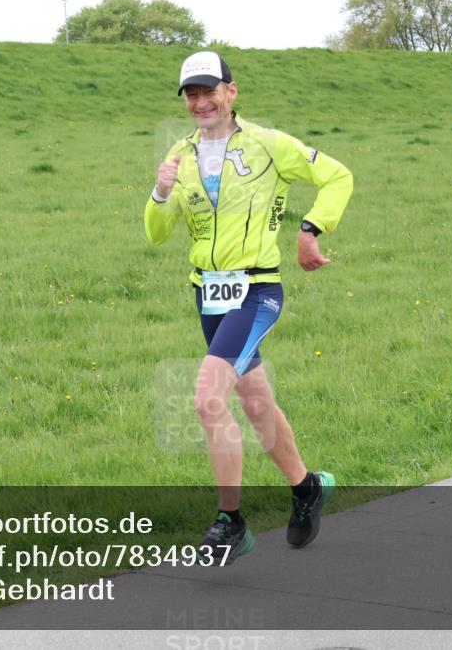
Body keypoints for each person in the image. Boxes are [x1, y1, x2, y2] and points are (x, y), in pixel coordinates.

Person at [144, 51, 353, 565]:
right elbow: (156, 234)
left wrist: (311, 229)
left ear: (231, 93)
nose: (199, 102)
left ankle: (230, 523)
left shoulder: (270, 145)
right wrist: (159, 192)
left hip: (256, 291)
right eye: (190, 94)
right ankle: (306, 487)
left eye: (208, 91)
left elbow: (338, 177)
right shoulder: (181, 151)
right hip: (207, 294)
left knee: (206, 398)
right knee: (256, 403)